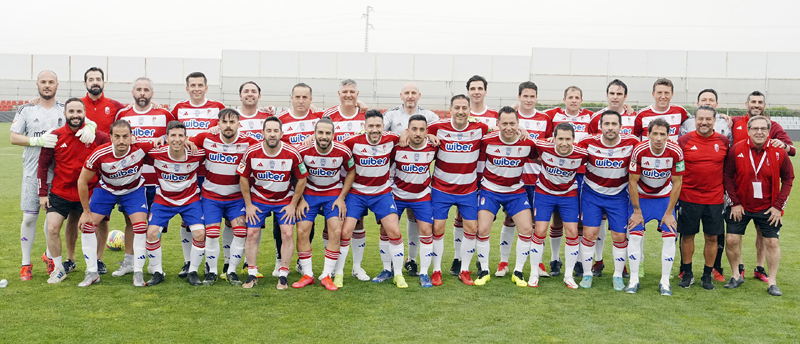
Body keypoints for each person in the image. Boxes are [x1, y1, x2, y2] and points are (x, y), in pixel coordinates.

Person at [37, 98, 110, 285]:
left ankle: (95, 263)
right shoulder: (55, 136)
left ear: (85, 113)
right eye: (71, 111)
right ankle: (61, 267)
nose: (75, 115)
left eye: (79, 111)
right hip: (61, 191)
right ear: (65, 114)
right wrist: (43, 193)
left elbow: (116, 147)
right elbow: (43, 166)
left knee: (94, 226)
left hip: (90, 192)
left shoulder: (97, 136)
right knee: (53, 228)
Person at [111, 77, 176, 277]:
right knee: (131, 222)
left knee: (155, 223)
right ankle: (130, 262)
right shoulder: (123, 114)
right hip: (132, 180)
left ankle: (154, 264)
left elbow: (176, 135)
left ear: (152, 93)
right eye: (138, 89)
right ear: (133, 93)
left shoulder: (164, 114)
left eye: (146, 89)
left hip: (158, 179)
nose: (142, 93)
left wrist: (163, 138)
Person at [728, 91, 796, 283]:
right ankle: (738, 270)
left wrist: (782, 144)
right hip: (740, 197)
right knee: (733, 237)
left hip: (767, 200)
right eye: (753, 101)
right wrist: (734, 201)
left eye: (760, 102)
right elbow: (727, 174)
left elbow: (793, 151)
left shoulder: (774, 127)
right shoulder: (734, 121)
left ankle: (760, 268)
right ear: (746, 104)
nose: (756, 104)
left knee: (764, 235)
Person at [77, 120, 154, 286]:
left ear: (131, 136)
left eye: (125, 136)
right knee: (88, 226)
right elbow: (82, 181)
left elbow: (168, 146)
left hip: (134, 190)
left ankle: (138, 272)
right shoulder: (99, 154)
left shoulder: (141, 149)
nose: (121, 140)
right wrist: (86, 211)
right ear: (110, 137)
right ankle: (92, 272)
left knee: (140, 226)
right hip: (107, 191)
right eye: (117, 136)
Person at [338, 110, 407, 288]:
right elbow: (335, 149)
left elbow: (406, 134)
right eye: (371, 126)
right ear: (364, 127)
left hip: (381, 193)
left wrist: (406, 133)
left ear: (383, 127)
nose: (375, 129)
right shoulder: (352, 142)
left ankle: (398, 274)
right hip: (357, 194)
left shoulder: (391, 139)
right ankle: (341, 273)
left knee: (394, 231)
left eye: (378, 126)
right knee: (346, 232)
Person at [237, 116, 308, 290]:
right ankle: (252, 273)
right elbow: (243, 177)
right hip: (259, 199)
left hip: (284, 199)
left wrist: (293, 204)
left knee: (287, 234)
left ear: (281, 133)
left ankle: (283, 274)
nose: (272, 134)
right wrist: (249, 205)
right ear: (263, 133)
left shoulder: (292, 152)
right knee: (252, 232)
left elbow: (302, 178)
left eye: (276, 131)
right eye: (269, 130)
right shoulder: (252, 151)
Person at [190, 108, 258, 285]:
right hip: (212, 196)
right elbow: (184, 142)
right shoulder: (205, 139)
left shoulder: (248, 143)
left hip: (236, 198)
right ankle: (211, 271)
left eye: (232, 122)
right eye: (224, 122)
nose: (228, 126)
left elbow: (266, 150)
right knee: (211, 234)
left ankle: (232, 271)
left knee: (241, 231)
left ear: (238, 124)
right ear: (218, 123)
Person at [472, 107, 538, 286]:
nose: (508, 127)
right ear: (497, 124)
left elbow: (541, 157)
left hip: (516, 191)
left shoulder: (527, 143)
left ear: (518, 124)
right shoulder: (487, 140)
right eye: (505, 123)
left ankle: (518, 271)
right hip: (490, 190)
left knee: (526, 229)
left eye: (512, 123)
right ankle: (484, 271)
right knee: (483, 229)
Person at [9, 70, 65, 281]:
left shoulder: (64, 109)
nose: (47, 85)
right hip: (33, 173)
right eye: (43, 82)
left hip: (58, 173)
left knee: (53, 219)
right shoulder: (27, 110)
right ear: (37, 84)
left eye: (51, 82)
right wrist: (36, 141)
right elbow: (14, 137)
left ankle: (50, 256)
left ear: (57, 85)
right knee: (30, 217)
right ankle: (25, 263)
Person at [428, 95, 489, 285]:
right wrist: (425, 135)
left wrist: (519, 128)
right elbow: (415, 133)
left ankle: (465, 270)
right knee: (437, 228)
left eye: (464, 107)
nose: (460, 111)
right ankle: (436, 270)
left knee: (471, 228)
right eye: (457, 108)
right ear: (450, 109)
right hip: (441, 188)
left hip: (468, 189)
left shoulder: (480, 128)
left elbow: (501, 130)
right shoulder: (437, 127)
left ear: (469, 110)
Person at [576, 110, 640, 290]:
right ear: (600, 126)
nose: (610, 128)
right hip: (592, 195)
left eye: (614, 124)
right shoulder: (587, 143)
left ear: (620, 126)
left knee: (619, 236)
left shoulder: (632, 143)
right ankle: (587, 274)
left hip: (618, 196)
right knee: (590, 234)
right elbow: (567, 151)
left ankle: (618, 275)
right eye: (607, 124)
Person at [171, 72, 226, 278]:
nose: (196, 88)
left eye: (200, 85)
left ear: (206, 87)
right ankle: (188, 262)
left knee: (214, 220)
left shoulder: (218, 107)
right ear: (187, 88)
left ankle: (215, 263)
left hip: (212, 170)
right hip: (187, 170)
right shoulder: (178, 108)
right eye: (192, 85)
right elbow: (170, 131)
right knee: (188, 219)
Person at [382, 83, 439, 277]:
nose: (410, 96)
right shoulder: (391, 116)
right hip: (396, 190)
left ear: (419, 95)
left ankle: (414, 263)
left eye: (413, 93)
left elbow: (442, 132)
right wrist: (401, 136)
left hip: (421, 192)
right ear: (401, 95)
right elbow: (379, 134)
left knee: (422, 226)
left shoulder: (431, 117)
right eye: (407, 93)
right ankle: (387, 268)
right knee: (387, 228)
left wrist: (430, 134)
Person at [141, 121, 206, 286]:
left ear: (185, 138)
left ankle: (192, 271)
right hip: (164, 200)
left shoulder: (196, 154)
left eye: (180, 136)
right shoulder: (156, 153)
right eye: (173, 135)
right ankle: (157, 271)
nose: (177, 139)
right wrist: (152, 141)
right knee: (152, 233)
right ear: (167, 137)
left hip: (190, 200)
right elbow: (135, 146)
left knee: (199, 234)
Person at [497, 81, 551, 279]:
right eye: (525, 96)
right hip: (515, 179)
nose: (528, 99)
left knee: (539, 222)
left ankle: (539, 262)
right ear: (519, 96)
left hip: (539, 179)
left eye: (532, 96)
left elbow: (548, 143)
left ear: (537, 98)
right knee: (510, 219)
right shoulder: (510, 116)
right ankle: (503, 261)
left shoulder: (545, 118)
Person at [294, 117, 355, 291]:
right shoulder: (303, 150)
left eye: (328, 133)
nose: (324, 136)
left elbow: (351, 172)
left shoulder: (343, 150)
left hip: (333, 193)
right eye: (320, 132)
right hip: (309, 194)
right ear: (314, 134)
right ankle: (308, 274)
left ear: (333, 135)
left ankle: (326, 275)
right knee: (302, 230)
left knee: (336, 231)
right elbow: (294, 175)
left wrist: (342, 197)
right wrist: (300, 199)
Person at [626, 118, 684, 296]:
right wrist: (636, 211)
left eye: (662, 134)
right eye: (655, 134)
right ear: (648, 134)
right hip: (642, 198)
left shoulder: (675, 151)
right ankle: (634, 279)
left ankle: (665, 281)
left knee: (669, 237)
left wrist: (669, 212)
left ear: (668, 135)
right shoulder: (639, 150)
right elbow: (632, 181)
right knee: (634, 237)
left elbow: (677, 183)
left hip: (664, 198)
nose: (658, 138)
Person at [586, 79, 638, 277]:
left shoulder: (635, 117)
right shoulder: (595, 117)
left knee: (623, 228)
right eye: (612, 93)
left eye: (619, 93)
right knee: (596, 225)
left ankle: (625, 264)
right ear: (607, 95)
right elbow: (588, 145)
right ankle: (597, 261)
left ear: (625, 96)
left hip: (622, 185)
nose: (615, 97)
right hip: (596, 180)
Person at [676, 105, 729, 290]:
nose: (704, 122)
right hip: (688, 197)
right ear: (695, 120)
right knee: (688, 235)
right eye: (700, 119)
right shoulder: (683, 140)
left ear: (715, 121)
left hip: (714, 199)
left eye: (708, 119)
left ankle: (707, 275)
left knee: (712, 237)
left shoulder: (723, 141)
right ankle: (687, 273)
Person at [272, 83, 323, 277]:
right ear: (291, 98)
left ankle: (303, 261)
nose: (301, 101)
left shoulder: (319, 118)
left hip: (310, 180)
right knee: (281, 220)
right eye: (297, 97)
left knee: (306, 221)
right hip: (285, 179)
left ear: (311, 99)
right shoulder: (281, 119)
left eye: (305, 97)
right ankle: (279, 258)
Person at [529, 123, 589, 289]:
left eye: (568, 139)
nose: (564, 143)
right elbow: (531, 150)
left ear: (573, 139)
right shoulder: (542, 145)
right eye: (560, 138)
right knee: (540, 231)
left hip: (568, 194)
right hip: (544, 193)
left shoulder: (581, 154)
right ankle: (534, 273)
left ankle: (568, 275)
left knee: (572, 232)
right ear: (553, 138)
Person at [544, 86, 594, 277]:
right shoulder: (552, 115)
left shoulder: (591, 117)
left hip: (580, 173)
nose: (573, 100)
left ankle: (580, 261)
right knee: (557, 219)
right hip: (556, 173)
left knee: (579, 219)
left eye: (577, 97)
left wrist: (629, 109)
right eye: (570, 97)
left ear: (582, 100)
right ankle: (555, 260)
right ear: (564, 99)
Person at [323, 79, 370, 282]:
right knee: (330, 225)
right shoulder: (329, 116)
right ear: (339, 93)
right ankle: (332, 267)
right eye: (345, 91)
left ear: (358, 93)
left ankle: (356, 267)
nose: (348, 94)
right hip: (333, 179)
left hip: (359, 180)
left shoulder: (365, 115)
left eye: (352, 91)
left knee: (357, 223)